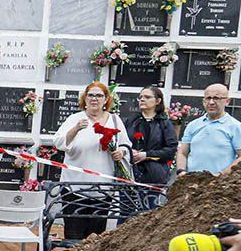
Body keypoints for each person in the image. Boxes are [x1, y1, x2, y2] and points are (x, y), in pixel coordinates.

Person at [54, 81, 131, 241]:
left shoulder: (114, 120)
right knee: (74, 233)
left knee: (96, 235)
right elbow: (59, 142)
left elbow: (126, 144)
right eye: (91, 95)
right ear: (85, 98)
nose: (94, 99)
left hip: (103, 189)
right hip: (75, 187)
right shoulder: (75, 118)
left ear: (106, 99)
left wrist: (121, 152)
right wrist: (75, 129)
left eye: (99, 95)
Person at [125, 86, 177, 205]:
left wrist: (146, 155)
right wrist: (128, 151)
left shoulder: (165, 124)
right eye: (140, 97)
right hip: (130, 174)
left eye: (147, 97)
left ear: (158, 101)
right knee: (126, 213)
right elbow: (122, 142)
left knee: (148, 214)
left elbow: (170, 151)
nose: (142, 99)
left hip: (153, 176)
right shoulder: (131, 121)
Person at [176, 83, 241, 177]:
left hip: (219, 184)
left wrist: (220, 175)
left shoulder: (235, 126)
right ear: (203, 101)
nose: (211, 102)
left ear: (227, 101)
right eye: (208, 98)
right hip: (191, 184)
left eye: (216, 98)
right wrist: (181, 171)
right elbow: (182, 152)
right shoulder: (193, 125)